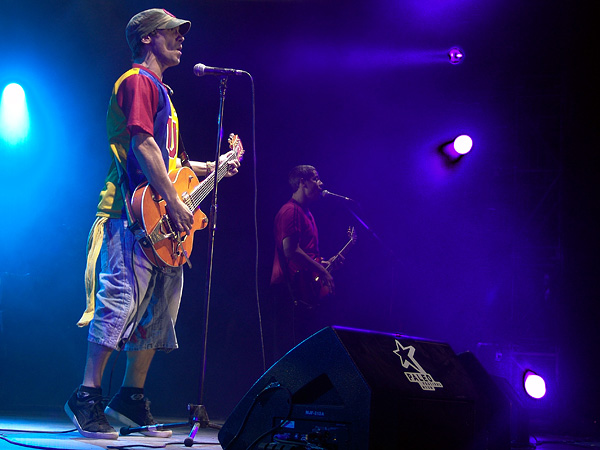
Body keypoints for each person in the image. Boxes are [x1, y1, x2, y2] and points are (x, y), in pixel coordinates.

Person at [64, 8, 239, 440]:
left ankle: (129, 398)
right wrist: (174, 201)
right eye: (172, 33)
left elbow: (170, 161)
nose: (181, 38)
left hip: (161, 218)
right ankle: (86, 396)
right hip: (130, 213)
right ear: (147, 39)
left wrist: (212, 167)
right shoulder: (137, 81)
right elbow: (141, 143)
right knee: (120, 301)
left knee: (157, 313)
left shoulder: (163, 91)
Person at [269, 165, 339, 363]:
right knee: (291, 356)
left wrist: (324, 263)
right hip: (289, 291)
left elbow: (305, 254)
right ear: (302, 182)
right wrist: (322, 271)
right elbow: (290, 250)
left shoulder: (306, 213)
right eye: (316, 179)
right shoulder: (290, 211)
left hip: (302, 290)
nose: (320, 183)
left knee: (307, 355)